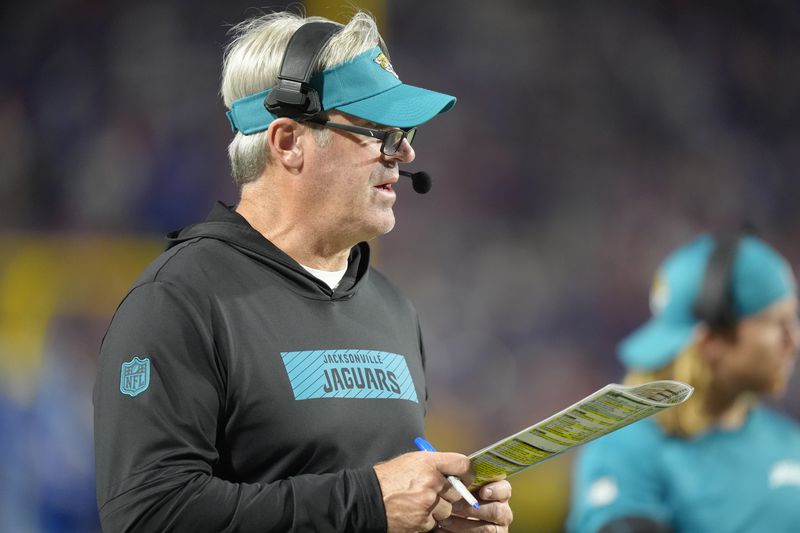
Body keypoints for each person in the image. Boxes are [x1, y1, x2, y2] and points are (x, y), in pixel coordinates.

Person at [93, 11, 513, 533]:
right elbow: (145, 516)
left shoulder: (391, 308)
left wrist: (437, 516)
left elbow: (378, 507)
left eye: (402, 132)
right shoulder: (179, 301)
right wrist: (366, 503)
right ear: (288, 142)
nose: (404, 152)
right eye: (379, 131)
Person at [567, 233, 800, 533]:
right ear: (710, 342)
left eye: (793, 317)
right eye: (776, 322)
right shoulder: (624, 452)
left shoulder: (790, 442)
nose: (793, 340)